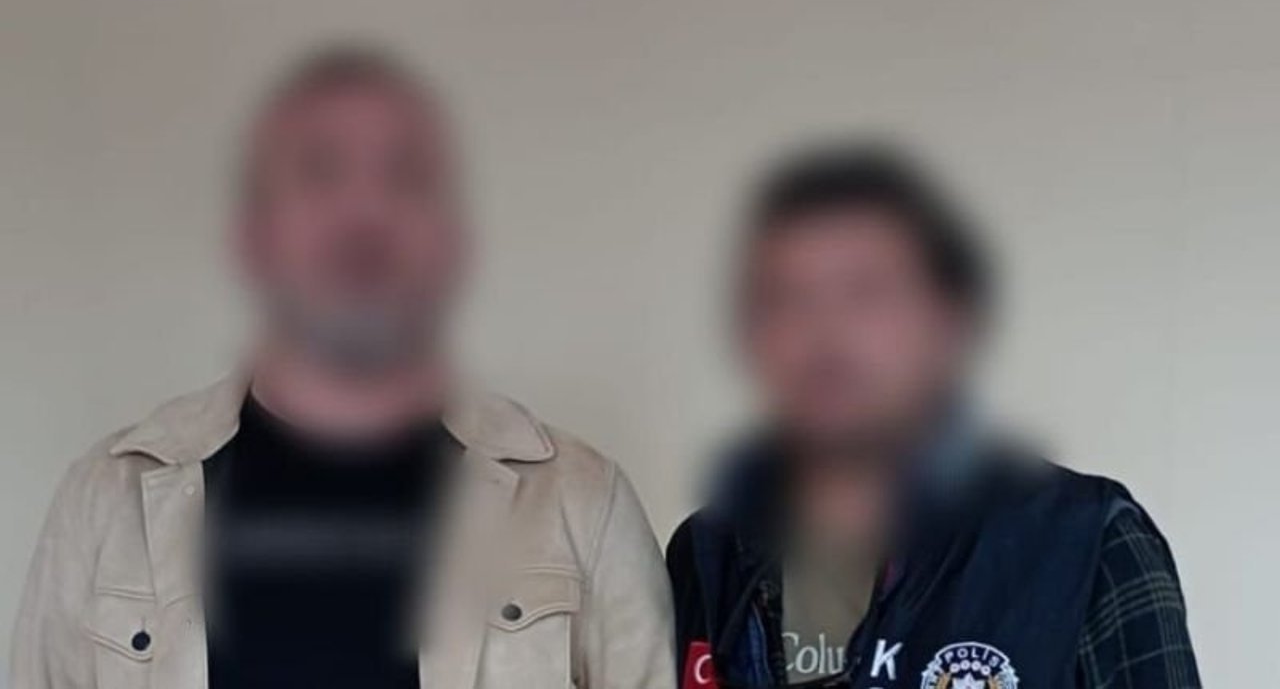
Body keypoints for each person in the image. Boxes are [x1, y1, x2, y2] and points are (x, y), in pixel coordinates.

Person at [11, 46, 674, 689]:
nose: (362, 215)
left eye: (405, 177)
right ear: (253, 234)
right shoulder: (105, 501)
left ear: (450, 239)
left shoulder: (584, 504)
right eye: (319, 172)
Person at [666, 144, 1200, 688]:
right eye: (787, 299)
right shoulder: (706, 553)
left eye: (865, 293)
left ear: (942, 322)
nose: (825, 333)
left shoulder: (1085, 541)